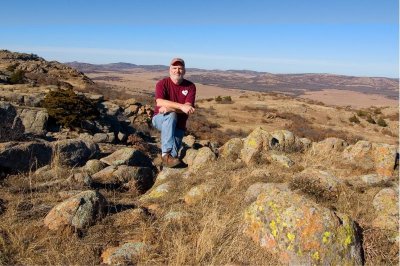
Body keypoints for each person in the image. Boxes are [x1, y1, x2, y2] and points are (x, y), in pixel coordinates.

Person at [152, 58, 196, 168]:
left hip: (179, 125)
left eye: (180, 68)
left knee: (174, 157)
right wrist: (181, 106)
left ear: (184, 71)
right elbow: (159, 102)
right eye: (174, 68)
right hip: (160, 119)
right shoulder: (162, 84)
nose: (177, 71)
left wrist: (170, 107)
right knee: (171, 116)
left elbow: (188, 108)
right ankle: (165, 153)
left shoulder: (190, 86)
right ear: (169, 70)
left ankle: (162, 162)